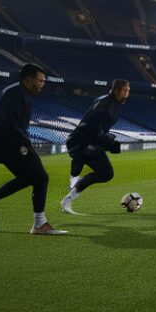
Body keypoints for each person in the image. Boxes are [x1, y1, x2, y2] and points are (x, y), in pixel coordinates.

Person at [0, 64, 65, 235]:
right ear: (29, 80)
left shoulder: (21, 93)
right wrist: (25, 144)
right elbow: (8, 124)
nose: (43, 84)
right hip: (4, 144)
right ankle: (39, 225)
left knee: (30, 177)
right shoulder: (14, 94)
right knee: (40, 177)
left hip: (5, 143)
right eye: (40, 80)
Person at [60, 80, 130, 215]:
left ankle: (74, 183)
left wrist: (107, 139)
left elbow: (99, 129)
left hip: (87, 142)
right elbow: (92, 128)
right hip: (84, 143)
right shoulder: (105, 104)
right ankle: (71, 193)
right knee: (106, 173)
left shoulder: (111, 103)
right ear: (116, 89)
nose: (127, 93)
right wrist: (108, 142)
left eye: (128, 90)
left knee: (105, 173)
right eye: (125, 90)